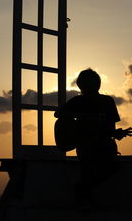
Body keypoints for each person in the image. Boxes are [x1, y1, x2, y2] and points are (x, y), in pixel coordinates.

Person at [54, 68, 125, 207]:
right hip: (85, 145)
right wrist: (80, 116)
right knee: (88, 169)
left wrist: (115, 134)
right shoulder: (77, 101)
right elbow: (58, 114)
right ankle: (85, 198)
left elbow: (111, 129)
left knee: (112, 167)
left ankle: (83, 189)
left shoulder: (107, 101)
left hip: (103, 145)